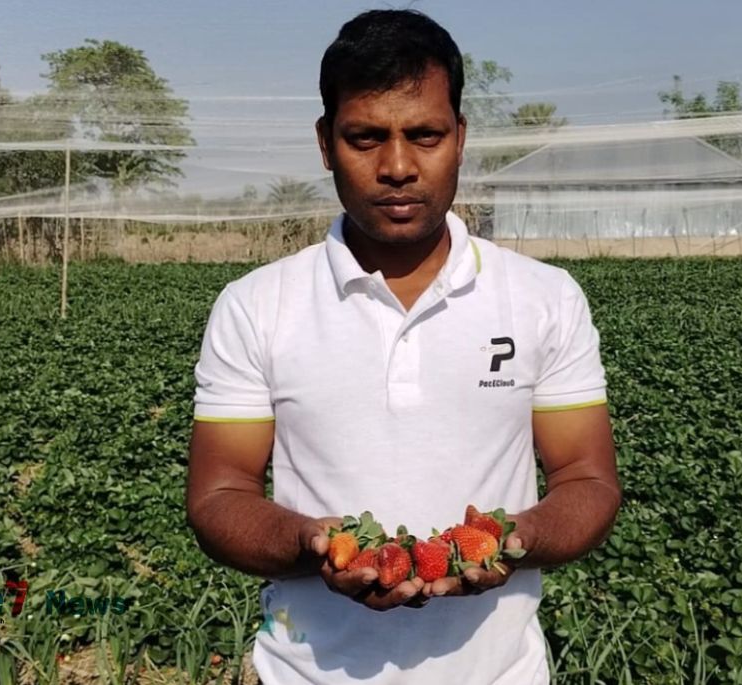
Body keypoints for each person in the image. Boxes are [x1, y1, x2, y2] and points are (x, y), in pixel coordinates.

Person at [184, 9, 621, 685]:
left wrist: (512, 540)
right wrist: (313, 545)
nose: (396, 166)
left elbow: (587, 480)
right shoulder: (256, 305)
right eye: (365, 137)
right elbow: (218, 494)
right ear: (326, 142)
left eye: (424, 135)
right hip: (304, 671)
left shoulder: (543, 297)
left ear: (460, 138)